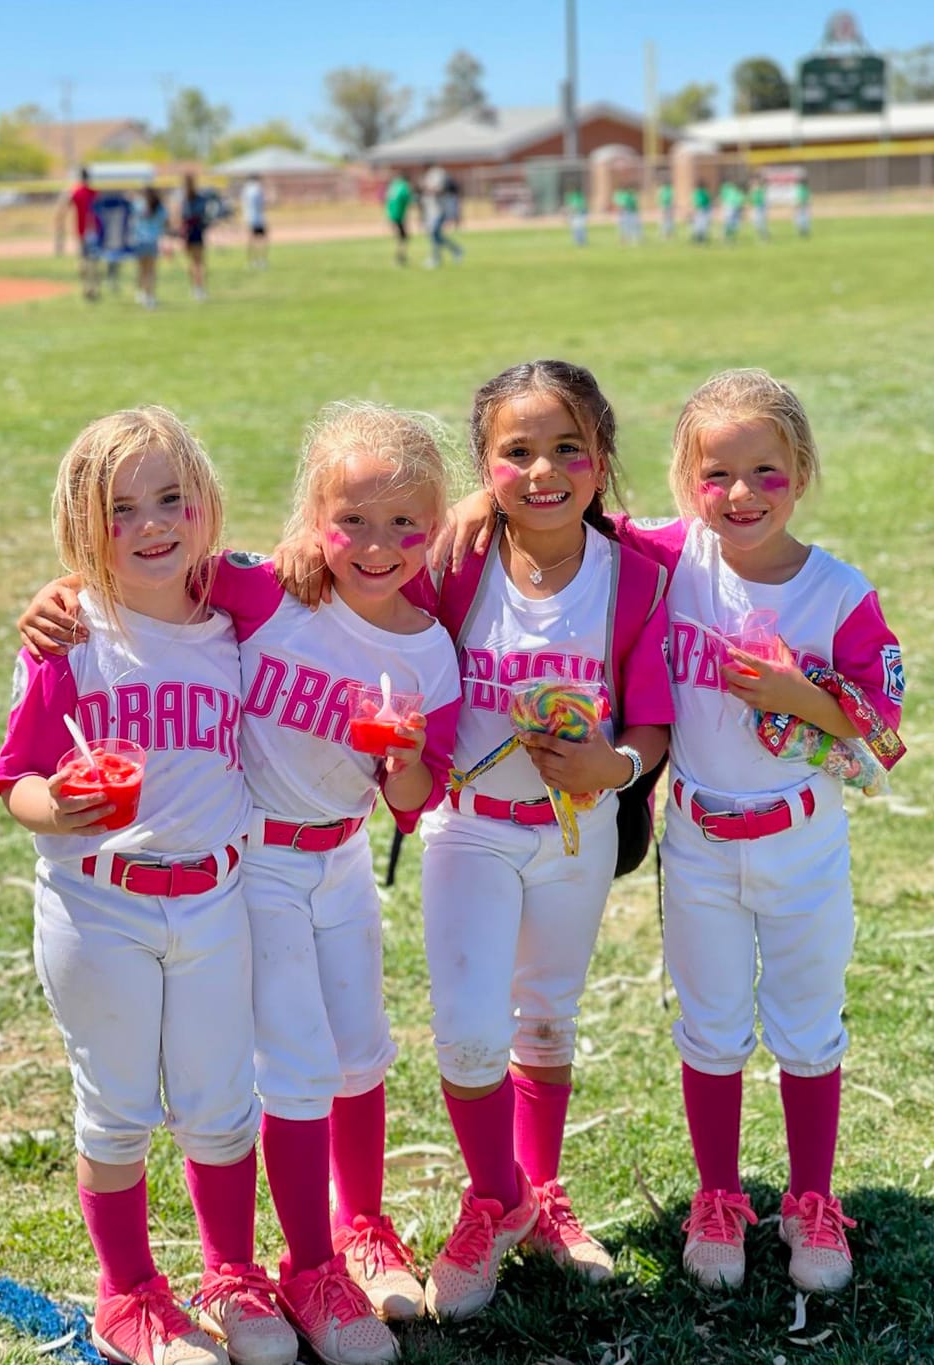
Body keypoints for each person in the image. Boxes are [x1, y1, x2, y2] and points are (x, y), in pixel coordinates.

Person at [435, 369, 907, 1297]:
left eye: (767, 472)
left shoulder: (838, 591)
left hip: (802, 839)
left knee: (808, 1023)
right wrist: (474, 499)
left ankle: (812, 1197)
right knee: (713, 1022)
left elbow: (883, 727)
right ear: (686, 481)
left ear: (803, 471)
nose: (741, 495)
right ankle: (718, 1196)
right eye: (715, 474)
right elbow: (558, 508)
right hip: (696, 837)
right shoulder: (668, 557)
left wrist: (796, 694)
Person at [16, 404, 469, 1359]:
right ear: (311, 520)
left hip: (303, 864)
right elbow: (117, 598)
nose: (376, 546)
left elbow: (418, 790)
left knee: (325, 1060)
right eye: (350, 521)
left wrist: (403, 769)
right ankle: (180, 1283)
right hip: (208, 868)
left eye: (171, 500)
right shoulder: (253, 598)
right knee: (226, 1077)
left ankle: (320, 1245)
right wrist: (56, 603)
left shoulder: (400, 641)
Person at [276, 361, 675, 1321]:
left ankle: (535, 1199)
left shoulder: (641, 571)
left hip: (574, 834)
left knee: (547, 1020)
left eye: (568, 449)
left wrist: (612, 769)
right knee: (466, 1030)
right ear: (484, 465)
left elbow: (652, 723)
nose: (544, 471)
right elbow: (350, 549)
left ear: (603, 456)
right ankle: (498, 1195)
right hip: (468, 827)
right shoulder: (452, 555)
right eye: (516, 453)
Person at [0, 407, 300, 1365]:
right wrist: (59, 807)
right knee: (117, 1103)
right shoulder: (68, 637)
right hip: (99, 900)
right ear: (84, 527)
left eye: (173, 498)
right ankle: (126, 1289)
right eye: (120, 509)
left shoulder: (235, 614)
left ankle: (231, 1273)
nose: (153, 523)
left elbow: (317, 559)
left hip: (213, 897)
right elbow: (17, 778)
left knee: (220, 1101)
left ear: (205, 504)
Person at [54, 167, 102, 301]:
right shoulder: (94, 192)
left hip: (82, 230)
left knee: (83, 259)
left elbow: (63, 208)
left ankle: (87, 287)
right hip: (94, 230)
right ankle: (93, 287)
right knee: (93, 260)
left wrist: (60, 225)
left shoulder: (77, 192)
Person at [134, 187, 168, 310]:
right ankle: (150, 296)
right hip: (152, 242)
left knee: (142, 270)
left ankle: (143, 293)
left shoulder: (138, 205)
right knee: (151, 271)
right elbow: (164, 223)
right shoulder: (159, 207)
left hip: (139, 242)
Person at [425, 166, 462, 268]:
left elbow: (439, 192)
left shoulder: (442, 186)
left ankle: (437, 258)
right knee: (435, 236)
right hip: (433, 212)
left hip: (440, 212)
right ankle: (455, 250)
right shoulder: (433, 182)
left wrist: (431, 190)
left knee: (434, 234)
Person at [182, 174, 212, 301]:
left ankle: (195, 288)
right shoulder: (200, 199)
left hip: (189, 233)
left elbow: (183, 217)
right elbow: (204, 216)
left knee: (193, 263)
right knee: (199, 263)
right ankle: (199, 289)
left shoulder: (185, 199)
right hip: (197, 233)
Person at [384, 172, 412, 267]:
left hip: (391, 215)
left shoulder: (393, 186)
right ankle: (400, 258)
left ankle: (399, 257)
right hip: (399, 215)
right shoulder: (404, 187)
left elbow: (387, 199)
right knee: (402, 238)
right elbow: (408, 200)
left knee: (399, 237)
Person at [242, 175, 269, 271]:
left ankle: (251, 261)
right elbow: (262, 203)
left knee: (251, 241)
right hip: (258, 218)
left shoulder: (246, 189)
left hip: (249, 218)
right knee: (261, 240)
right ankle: (261, 261)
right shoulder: (257, 188)